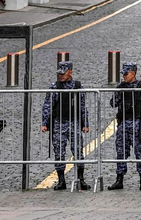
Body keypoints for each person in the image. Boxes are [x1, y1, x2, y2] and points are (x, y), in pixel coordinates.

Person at [107, 62, 141, 191]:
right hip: (123, 123)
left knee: (139, 151)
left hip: (137, 123)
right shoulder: (121, 87)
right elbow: (113, 102)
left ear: (133, 73)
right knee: (121, 151)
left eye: (126, 73)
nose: (124, 76)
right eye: (123, 74)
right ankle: (119, 179)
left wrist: (139, 98)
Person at [41, 61, 90, 191]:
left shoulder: (78, 86)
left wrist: (85, 123)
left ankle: (81, 179)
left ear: (70, 72)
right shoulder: (54, 87)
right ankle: (61, 180)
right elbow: (48, 105)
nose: (61, 76)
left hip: (74, 122)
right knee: (59, 152)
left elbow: (83, 106)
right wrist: (44, 123)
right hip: (58, 123)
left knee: (78, 151)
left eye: (63, 73)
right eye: (59, 73)